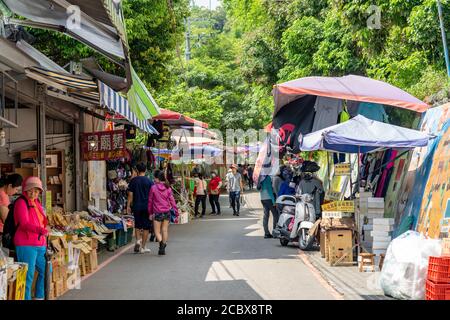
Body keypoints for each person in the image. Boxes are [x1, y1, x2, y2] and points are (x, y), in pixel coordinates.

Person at [14, 177, 49, 300]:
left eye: (36, 191)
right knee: (28, 276)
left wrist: (46, 227)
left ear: (39, 192)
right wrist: (40, 230)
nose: (33, 193)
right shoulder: (21, 202)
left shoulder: (37, 203)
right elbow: (24, 224)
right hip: (26, 244)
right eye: (30, 190)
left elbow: (42, 221)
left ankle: (39, 296)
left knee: (46, 270)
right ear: (25, 190)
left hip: (40, 244)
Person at [148, 170, 178, 255]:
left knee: (157, 231)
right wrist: (176, 212)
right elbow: (172, 201)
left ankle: (161, 245)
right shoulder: (168, 188)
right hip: (166, 212)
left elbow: (150, 201)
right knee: (164, 230)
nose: (154, 179)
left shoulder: (153, 188)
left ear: (157, 178)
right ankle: (163, 245)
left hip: (157, 212)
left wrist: (150, 213)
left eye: (155, 178)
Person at [127, 163, 154, 254]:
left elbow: (130, 194)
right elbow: (152, 196)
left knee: (137, 225)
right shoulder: (149, 181)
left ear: (137, 171)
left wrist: (128, 206)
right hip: (147, 207)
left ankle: (138, 240)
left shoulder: (133, 181)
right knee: (146, 227)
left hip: (136, 206)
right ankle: (143, 247)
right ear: (145, 170)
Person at [0, 174, 23, 248]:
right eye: (16, 189)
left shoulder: (4, 194)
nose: (16, 192)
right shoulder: (2, 195)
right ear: (10, 186)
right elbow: (5, 219)